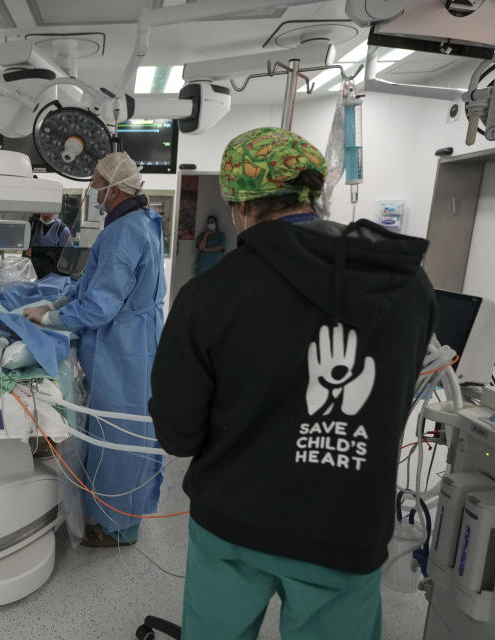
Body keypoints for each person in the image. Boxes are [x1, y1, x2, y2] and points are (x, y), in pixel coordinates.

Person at [149, 127, 436, 640]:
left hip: (234, 522)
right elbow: (398, 399)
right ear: (314, 195)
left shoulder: (211, 294)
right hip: (346, 527)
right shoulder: (408, 285)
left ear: (240, 206)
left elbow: (178, 432)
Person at [23, 151, 166, 548]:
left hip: (119, 349)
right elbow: (97, 287)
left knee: (113, 431)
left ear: (116, 188)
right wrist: (58, 302)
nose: (94, 190)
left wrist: (49, 318)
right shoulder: (144, 221)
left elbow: (101, 306)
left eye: (98, 182)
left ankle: (114, 526)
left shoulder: (122, 233)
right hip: (137, 342)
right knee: (134, 429)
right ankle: (123, 517)